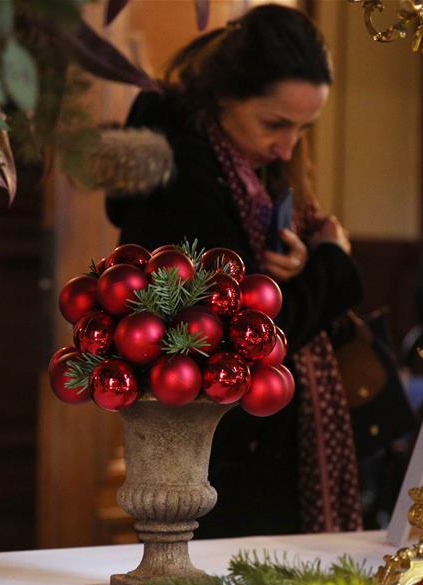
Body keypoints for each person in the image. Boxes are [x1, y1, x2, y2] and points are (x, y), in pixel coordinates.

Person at [106, 5, 364, 537]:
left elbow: (259, 290)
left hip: (249, 448)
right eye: (275, 124)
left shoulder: (245, 169)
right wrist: (332, 264)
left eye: (304, 128)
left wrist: (299, 262)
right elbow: (247, 337)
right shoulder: (182, 182)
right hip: (218, 457)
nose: (288, 146)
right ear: (225, 95)